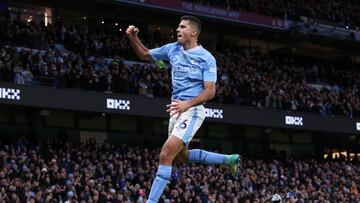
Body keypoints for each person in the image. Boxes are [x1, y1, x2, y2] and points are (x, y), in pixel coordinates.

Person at [126, 15, 240, 203]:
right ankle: (229, 160)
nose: (177, 29)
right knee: (181, 158)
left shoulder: (206, 58)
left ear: (193, 32)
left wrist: (187, 104)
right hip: (176, 110)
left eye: (182, 27)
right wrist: (133, 38)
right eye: (178, 26)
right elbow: (145, 54)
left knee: (165, 154)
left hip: (193, 110)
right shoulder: (172, 49)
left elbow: (210, 92)